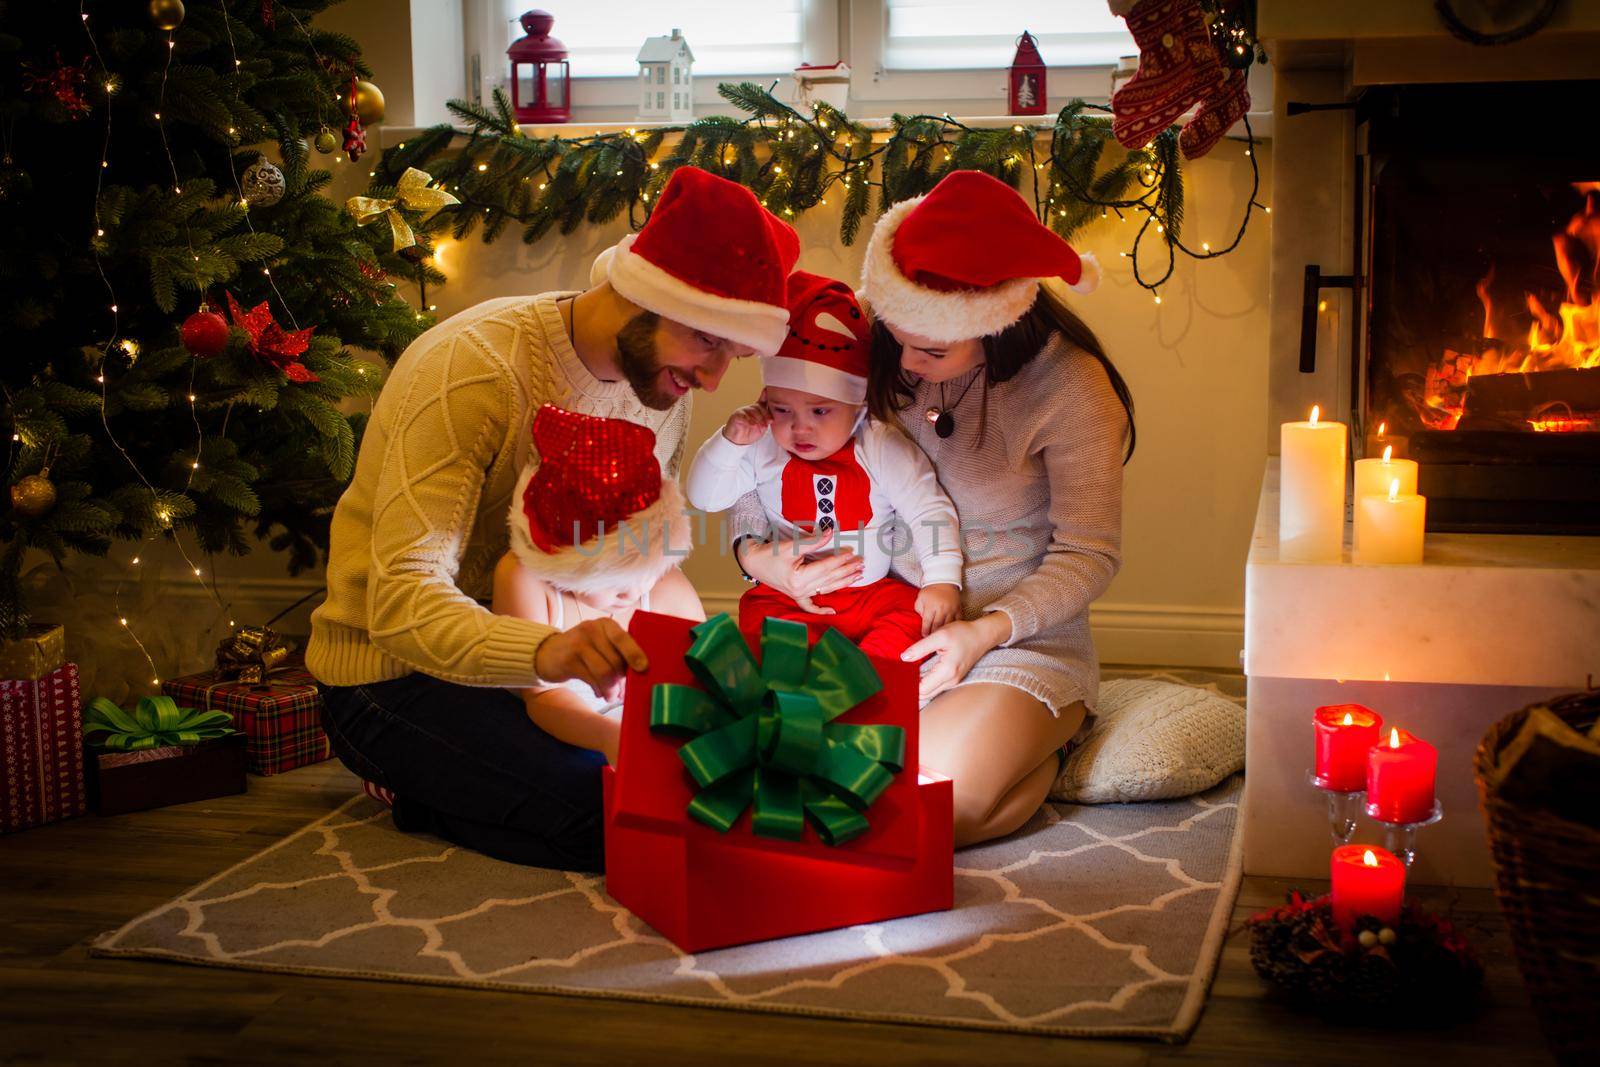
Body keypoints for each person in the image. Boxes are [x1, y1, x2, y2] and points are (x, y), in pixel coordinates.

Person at [305, 166, 800, 871]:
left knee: (698, 787)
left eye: (735, 352)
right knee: (609, 816)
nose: (716, 379)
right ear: (645, 296)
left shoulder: (656, 385)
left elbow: (645, 562)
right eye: (708, 342)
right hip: (392, 675)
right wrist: (546, 654)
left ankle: (467, 783)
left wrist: (713, 672)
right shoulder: (474, 368)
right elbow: (400, 604)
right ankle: (419, 791)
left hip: (541, 663)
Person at [732, 170, 1136, 848]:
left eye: (933, 348)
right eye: (897, 337)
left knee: (930, 801)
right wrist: (756, 555)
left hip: (1016, 642)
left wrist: (982, 633)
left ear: (995, 321)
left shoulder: (1071, 387)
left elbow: (1089, 554)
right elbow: (770, 445)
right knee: (790, 769)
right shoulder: (871, 328)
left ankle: (1051, 742)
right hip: (883, 618)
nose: (908, 363)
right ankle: (1013, 753)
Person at [685, 272, 962, 659]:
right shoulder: (763, 443)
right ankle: (804, 677)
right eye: (782, 409)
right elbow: (705, 499)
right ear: (765, 400)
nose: (800, 426)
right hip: (792, 597)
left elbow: (928, 508)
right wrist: (730, 443)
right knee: (757, 612)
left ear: (857, 407)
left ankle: (868, 669)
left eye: (820, 410)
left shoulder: (878, 445)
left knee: (910, 612)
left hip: (868, 594)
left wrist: (942, 579)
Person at [492, 405, 704, 769]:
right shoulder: (525, 581)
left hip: (638, 730)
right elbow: (542, 697)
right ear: (563, 563)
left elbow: (703, 672)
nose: (633, 592)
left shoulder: (666, 589)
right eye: (616, 582)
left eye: (648, 571)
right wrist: (607, 736)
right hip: (553, 723)